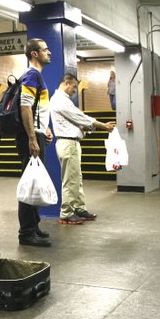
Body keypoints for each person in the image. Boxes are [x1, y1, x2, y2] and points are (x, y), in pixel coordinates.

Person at [50, 73, 115, 224]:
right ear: (66, 83)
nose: (74, 91)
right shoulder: (60, 100)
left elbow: (77, 122)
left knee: (76, 179)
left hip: (72, 143)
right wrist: (103, 126)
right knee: (70, 181)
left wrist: (90, 128)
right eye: (73, 87)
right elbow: (81, 118)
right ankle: (66, 213)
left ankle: (79, 207)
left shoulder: (64, 100)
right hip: (68, 144)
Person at [16, 38, 54, 247]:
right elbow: (25, 107)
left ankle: (34, 226)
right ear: (34, 54)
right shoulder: (32, 75)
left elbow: (38, 109)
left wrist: (45, 129)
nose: (49, 52)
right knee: (29, 184)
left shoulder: (37, 76)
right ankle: (26, 233)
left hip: (37, 133)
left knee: (35, 181)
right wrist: (32, 138)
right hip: (29, 137)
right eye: (45, 49)